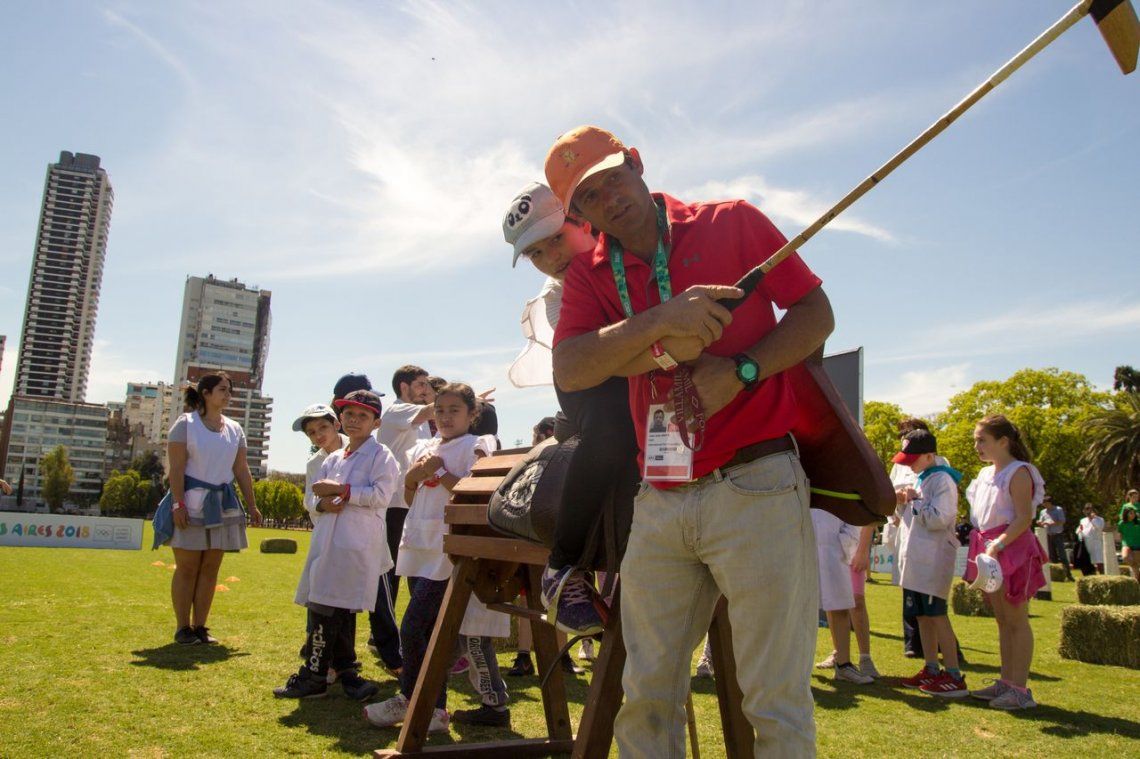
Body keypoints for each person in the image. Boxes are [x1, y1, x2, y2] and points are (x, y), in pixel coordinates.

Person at [547, 125, 834, 755]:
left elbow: (817, 315)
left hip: (756, 482)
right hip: (661, 493)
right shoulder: (590, 275)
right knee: (645, 696)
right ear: (579, 214)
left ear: (637, 164)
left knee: (775, 700)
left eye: (614, 179)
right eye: (589, 196)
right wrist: (661, 320)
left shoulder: (733, 221)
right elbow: (569, 368)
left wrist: (744, 371)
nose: (609, 199)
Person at [503, 181, 640, 638]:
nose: (550, 257)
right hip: (591, 382)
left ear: (582, 221)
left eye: (556, 239)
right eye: (536, 253)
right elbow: (595, 360)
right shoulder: (556, 297)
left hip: (639, 369)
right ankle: (562, 564)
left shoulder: (632, 254)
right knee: (611, 431)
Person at [366, 383, 509, 732]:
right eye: (440, 410)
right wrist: (413, 478)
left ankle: (412, 699)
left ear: (472, 414)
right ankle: (435, 709)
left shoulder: (478, 443)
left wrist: (440, 472)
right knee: (429, 632)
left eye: (454, 410)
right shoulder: (425, 445)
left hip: (448, 551)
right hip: (419, 545)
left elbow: (475, 494)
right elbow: (411, 497)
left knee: (412, 628)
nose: (445, 417)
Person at [274, 390, 399, 700]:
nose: (354, 420)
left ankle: (315, 674)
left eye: (363, 415)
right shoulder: (331, 459)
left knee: (329, 607)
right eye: (349, 414)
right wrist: (324, 503)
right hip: (327, 543)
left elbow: (381, 496)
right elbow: (315, 499)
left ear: (376, 422)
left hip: (356, 545)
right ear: (341, 418)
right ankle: (347, 675)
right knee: (329, 605)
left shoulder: (381, 455)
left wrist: (342, 491)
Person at [156, 371, 261, 645]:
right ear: (206, 393)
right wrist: (178, 504)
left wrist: (252, 505)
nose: (228, 395)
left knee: (211, 568)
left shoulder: (235, 429)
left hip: (222, 506)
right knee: (188, 567)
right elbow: (176, 469)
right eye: (222, 390)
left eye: (229, 390)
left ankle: (200, 626)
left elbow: (241, 469)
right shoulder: (186, 424)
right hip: (190, 504)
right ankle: (183, 628)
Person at [964, 414, 1047, 710]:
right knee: (1002, 618)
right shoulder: (985, 474)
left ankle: (1020, 690)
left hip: (1011, 548)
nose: (977, 446)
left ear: (1003, 442)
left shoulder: (1019, 472)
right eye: (976, 440)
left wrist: (998, 545)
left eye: (982, 440)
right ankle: (1006, 682)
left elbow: (1024, 518)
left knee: (1016, 618)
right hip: (991, 549)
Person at [372, 365, 437, 674]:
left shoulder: (420, 420)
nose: (425, 389)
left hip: (411, 505)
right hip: (392, 505)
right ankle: (384, 640)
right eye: (421, 384)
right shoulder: (397, 410)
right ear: (403, 386)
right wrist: (466, 401)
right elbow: (431, 411)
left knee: (409, 570)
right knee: (388, 575)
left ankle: (405, 638)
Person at [892, 430, 967, 697]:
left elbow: (938, 519)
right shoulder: (921, 478)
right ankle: (931, 667)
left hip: (933, 558)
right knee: (922, 616)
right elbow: (908, 519)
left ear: (929, 455)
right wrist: (902, 503)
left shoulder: (943, 480)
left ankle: (954, 674)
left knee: (937, 615)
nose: (909, 464)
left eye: (913, 459)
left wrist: (914, 500)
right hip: (916, 559)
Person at [292, 403, 354, 685]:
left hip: (355, 538)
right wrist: (323, 505)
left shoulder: (358, 451)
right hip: (327, 537)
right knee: (320, 597)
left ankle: (344, 660)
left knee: (348, 603)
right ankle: (320, 657)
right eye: (312, 432)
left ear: (336, 425)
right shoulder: (314, 463)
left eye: (323, 428)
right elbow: (310, 501)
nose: (318, 435)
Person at [812, 509, 874, 685]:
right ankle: (799, 666)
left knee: (839, 606)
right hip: (806, 546)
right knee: (801, 608)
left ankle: (844, 665)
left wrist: (845, 540)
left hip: (835, 548)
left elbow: (853, 514)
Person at [1038, 495, 1072, 580]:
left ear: (1050, 503)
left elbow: (1062, 521)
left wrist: (1051, 523)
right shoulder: (1043, 512)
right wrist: (1040, 523)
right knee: (1052, 555)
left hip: (1058, 535)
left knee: (1062, 555)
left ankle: (1068, 574)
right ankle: (1056, 576)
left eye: (1045, 503)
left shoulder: (1058, 510)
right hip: (1048, 535)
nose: (1044, 505)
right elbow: (1041, 521)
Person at [1076, 503, 1106, 574]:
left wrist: (1092, 519)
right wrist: (1079, 532)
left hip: (1096, 543)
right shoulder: (1082, 520)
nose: (1088, 512)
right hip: (1086, 544)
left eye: (1090, 510)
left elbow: (1099, 528)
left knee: (1099, 561)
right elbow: (1079, 530)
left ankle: (1102, 575)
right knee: (1088, 562)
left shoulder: (1100, 519)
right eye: (1086, 510)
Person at [1118, 501, 1140, 580]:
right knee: (1125, 557)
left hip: (1137, 545)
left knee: (1136, 566)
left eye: (1134, 513)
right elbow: (1120, 534)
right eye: (1131, 513)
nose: (1133, 515)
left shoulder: (1138, 522)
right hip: (1126, 545)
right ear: (1126, 514)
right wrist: (1123, 543)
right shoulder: (1121, 523)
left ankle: (1137, 581)